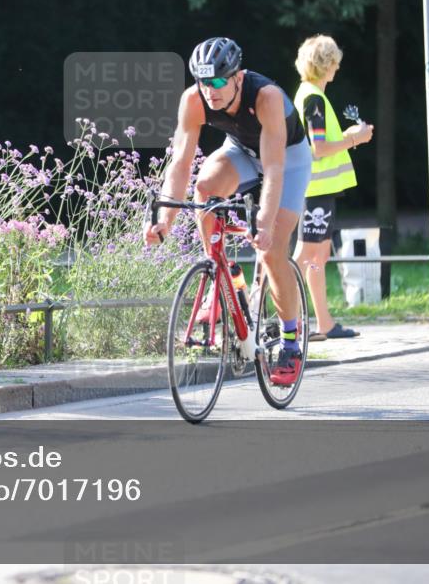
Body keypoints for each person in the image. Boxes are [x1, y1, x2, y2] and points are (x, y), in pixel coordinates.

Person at [143, 37, 312, 386]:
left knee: (272, 251)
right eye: (204, 82)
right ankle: (219, 275)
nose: (211, 90)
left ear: (238, 77)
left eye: (219, 81)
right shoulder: (194, 100)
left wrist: (264, 222)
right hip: (241, 151)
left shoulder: (266, 97)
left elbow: (274, 169)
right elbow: (181, 163)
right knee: (205, 189)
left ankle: (290, 342)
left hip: (287, 159)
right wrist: (164, 221)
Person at [291, 35, 373, 340]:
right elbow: (320, 148)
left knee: (318, 256)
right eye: (335, 62)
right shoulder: (314, 99)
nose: (337, 68)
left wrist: (349, 135)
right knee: (305, 256)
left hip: (318, 190)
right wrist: (355, 138)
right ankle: (289, 324)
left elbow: (320, 143)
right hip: (315, 190)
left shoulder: (309, 95)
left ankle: (324, 323)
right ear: (327, 65)